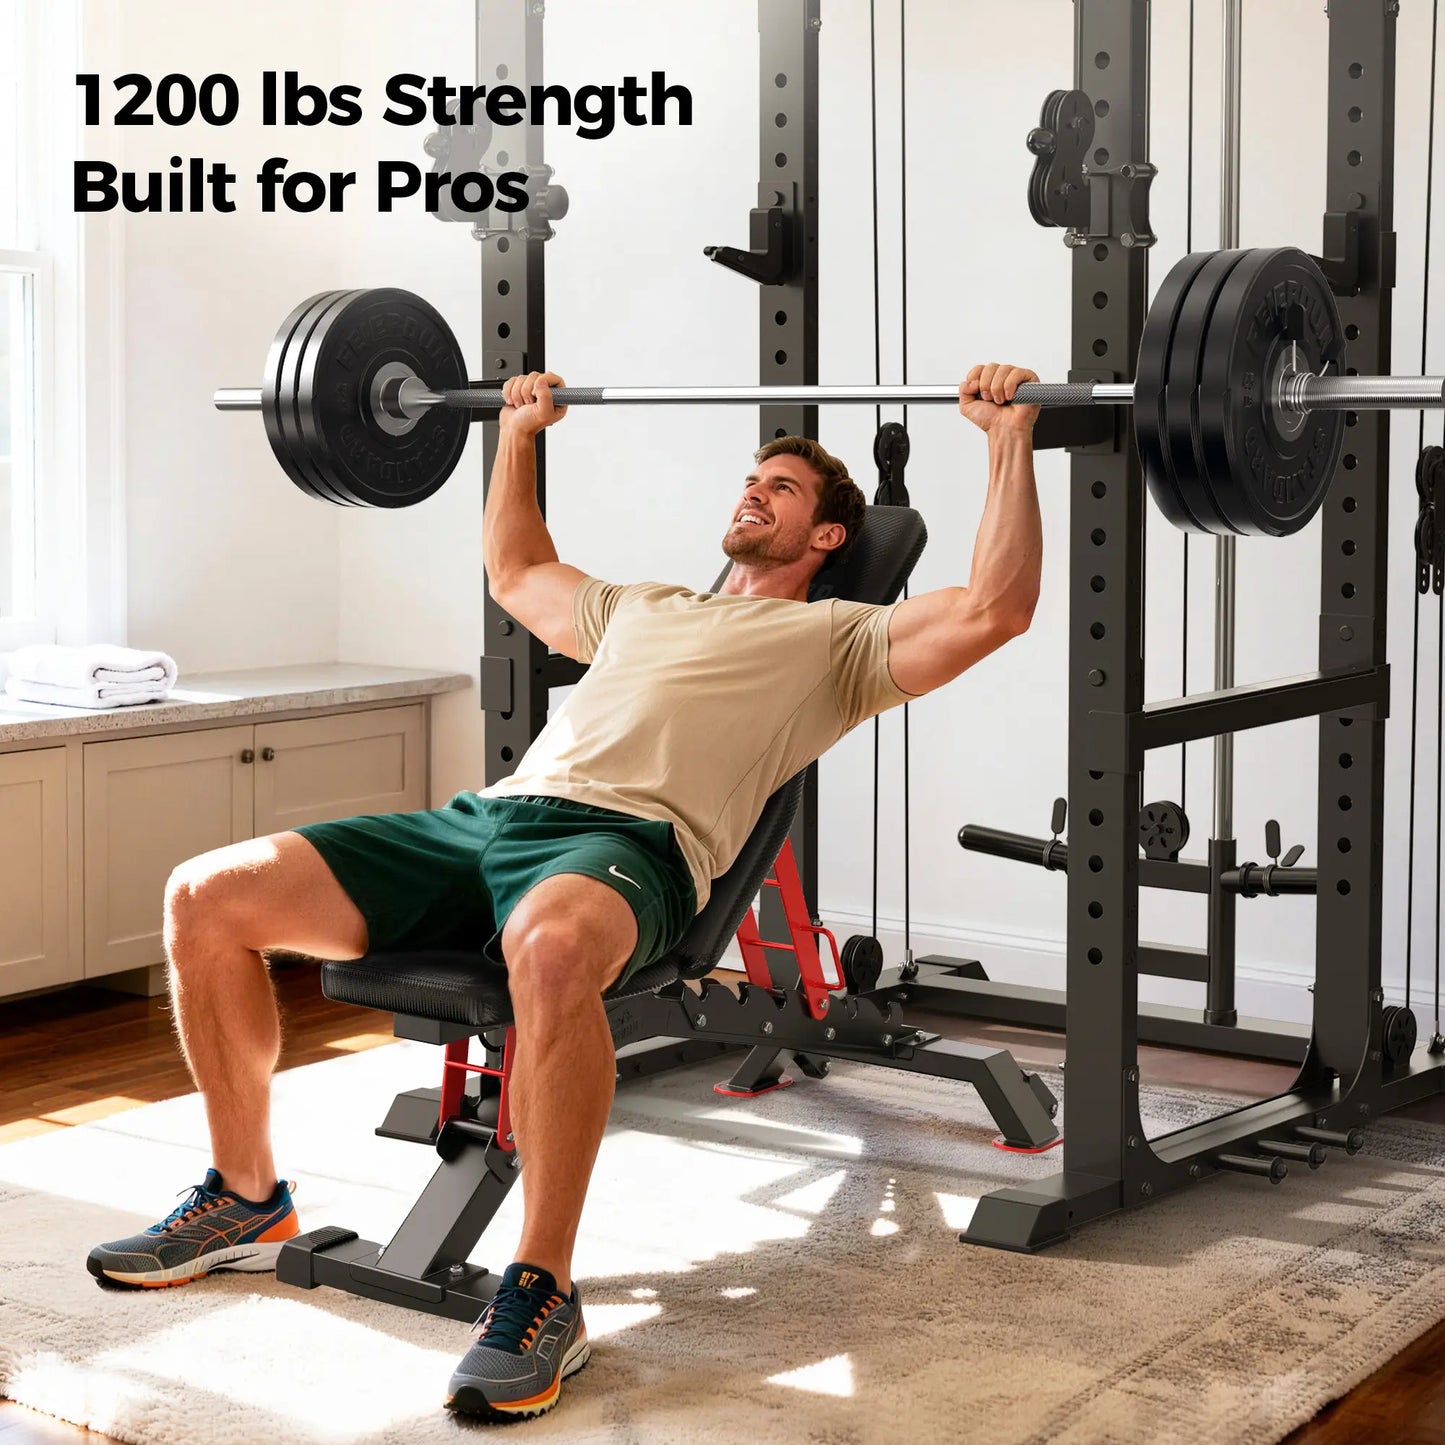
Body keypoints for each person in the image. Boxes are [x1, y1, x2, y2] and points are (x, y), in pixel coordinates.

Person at [87, 362, 1043, 1422]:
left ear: (827, 539)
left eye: (779, 487)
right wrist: (518, 428)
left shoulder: (838, 641)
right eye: (749, 477)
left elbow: (998, 608)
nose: (751, 491)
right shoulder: (640, 605)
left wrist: (1007, 437)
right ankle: (245, 1195)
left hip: (627, 845)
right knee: (205, 893)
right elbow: (516, 568)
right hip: (488, 820)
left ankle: (540, 1288)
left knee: (545, 953)